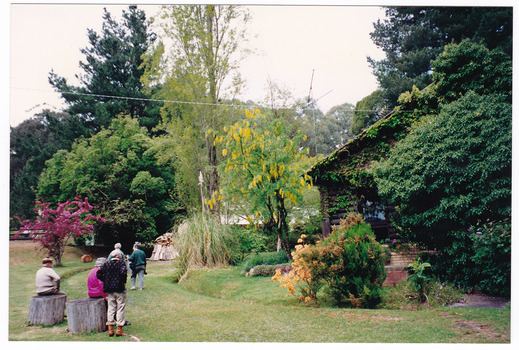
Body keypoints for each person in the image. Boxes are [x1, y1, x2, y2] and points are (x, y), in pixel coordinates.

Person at [97, 250, 127, 337]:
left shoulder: (106, 264)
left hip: (109, 290)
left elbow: (98, 274)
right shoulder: (121, 264)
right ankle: (119, 329)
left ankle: (110, 329)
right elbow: (123, 273)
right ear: (118, 256)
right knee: (120, 307)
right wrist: (123, 282)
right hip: (119, 289)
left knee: (111, 308)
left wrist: (105, 281)